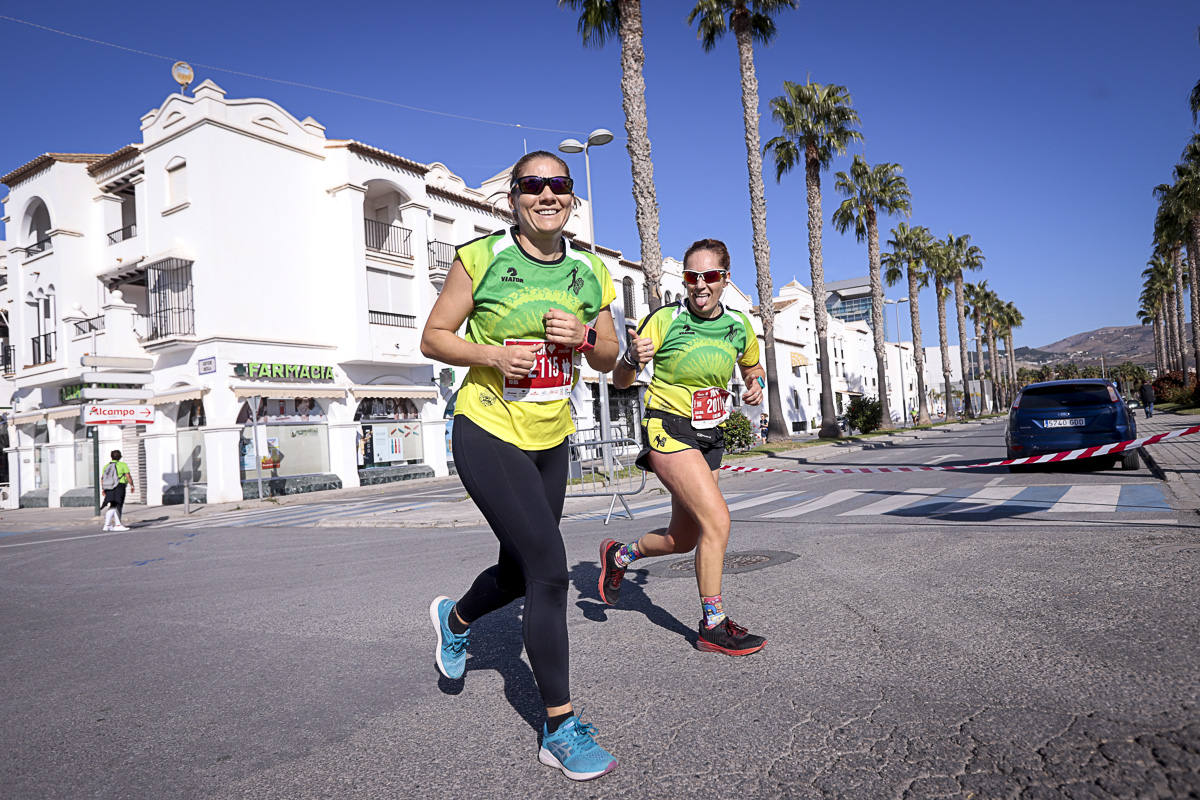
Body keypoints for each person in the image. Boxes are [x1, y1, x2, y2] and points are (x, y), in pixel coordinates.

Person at [420, 150, 621, 781]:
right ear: (513, 197)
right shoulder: (479, 258)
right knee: (551, 570)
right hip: (487, 427)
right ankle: (559, 726)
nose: (548, 195)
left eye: (559, 186)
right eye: (533, 185)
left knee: (519, 569)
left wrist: (584, 338)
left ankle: (455, 620)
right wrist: (490, 353)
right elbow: (434, 336)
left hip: (550, 436)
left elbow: (610, 357)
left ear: (571, 198)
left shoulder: (590, 273)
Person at [600, 238, 768, 656]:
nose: (700, 285)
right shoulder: (665, 320)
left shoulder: (739, 326)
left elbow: (754, 366)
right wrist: (630, 359)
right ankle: (713, 623)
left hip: (710, 435)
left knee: (684, 538)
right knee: (718, 521)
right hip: (668, 429)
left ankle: (621, 555)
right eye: (692, 277)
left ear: (725, 280)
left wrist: (755, 384)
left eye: (709, 276)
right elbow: (621, 381)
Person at [99, 449, 134, 531]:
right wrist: (132, 485)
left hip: (109, 487)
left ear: (111, 457)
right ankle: (118, 525)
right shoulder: (123, 465)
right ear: (120, 457)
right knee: (118, 505)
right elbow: (128, 476)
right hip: (119, 486)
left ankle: (107, 525)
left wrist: (103, 489)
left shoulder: (106, 466)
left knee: (112, 505)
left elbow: (102, 478)